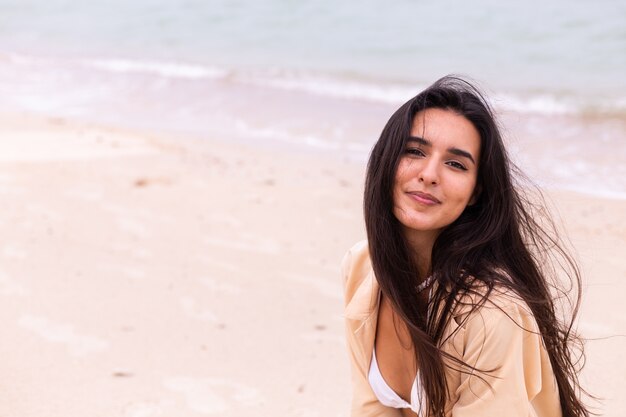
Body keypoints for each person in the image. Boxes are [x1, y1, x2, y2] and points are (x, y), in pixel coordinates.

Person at [341, 76, 591, 417]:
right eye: (414, 151)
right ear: (387, 160)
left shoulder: (491, 313)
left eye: (455, 164)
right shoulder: (363, 265)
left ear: (476, 192)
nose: (429, 174)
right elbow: (373, 407)